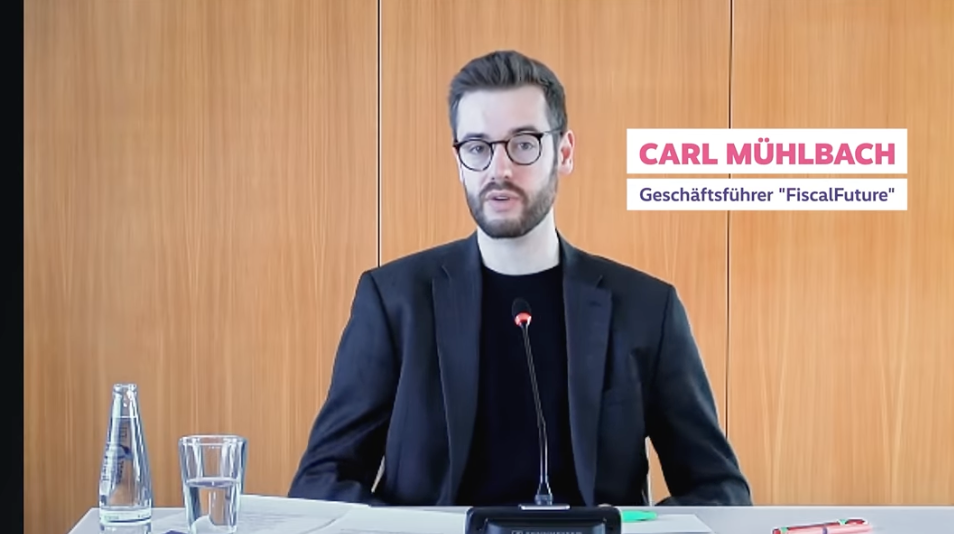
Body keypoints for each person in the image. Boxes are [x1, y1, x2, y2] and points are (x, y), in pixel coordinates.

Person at [288, 50, 752, 508]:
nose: (499, 169)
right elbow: (321, 481)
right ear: (459, 161)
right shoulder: (394, 302)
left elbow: (720, 490)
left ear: (563, 153)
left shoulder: (646, 308)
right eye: (477, 148)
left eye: (524, 144)